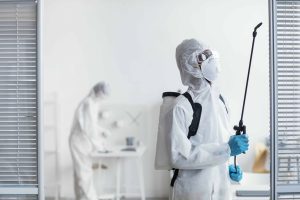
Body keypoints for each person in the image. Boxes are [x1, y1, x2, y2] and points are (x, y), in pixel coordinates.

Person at [166, 39, 249, 200]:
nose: (213, 62)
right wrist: (226, 150)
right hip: (193, 192)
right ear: (190, 65)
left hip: (222, 190)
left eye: (211, 56)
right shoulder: (181, 106)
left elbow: (220, 143)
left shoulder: (221, 100)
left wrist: (230, 168)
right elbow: (178, 156)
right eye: (204, 58)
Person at [69, 82, 111, 200]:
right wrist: (99, 145)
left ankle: (81, 197)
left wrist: (102, 130)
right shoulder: (88, 104)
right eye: (104, 95)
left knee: (79, 174)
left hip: (83, 142)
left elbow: (92, 125)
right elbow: (89, 128)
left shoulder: (93, 103)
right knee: (84, 174)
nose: (104, 98)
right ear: (99, 92)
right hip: (79, 142)